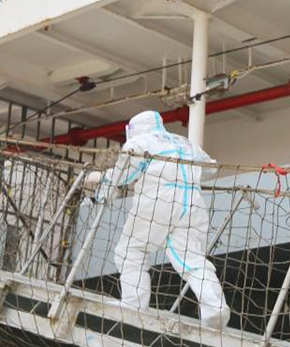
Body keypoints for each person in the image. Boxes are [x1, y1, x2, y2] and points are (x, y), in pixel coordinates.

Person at [88, 111, 232, 330]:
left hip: (156, 203)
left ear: (133, 129)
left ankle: (134, 304)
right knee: (192, 259)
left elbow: (122, 175)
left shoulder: (139, 142)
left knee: (131, 251)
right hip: (191, 204)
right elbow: (210, 169)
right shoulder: (184, 142)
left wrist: (100, 190)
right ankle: (215, 308)